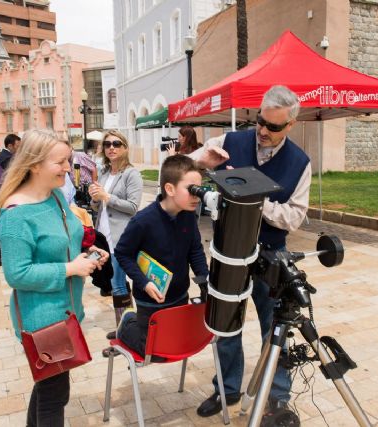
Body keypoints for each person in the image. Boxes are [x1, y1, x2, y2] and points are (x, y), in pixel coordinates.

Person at [192, 85, 312, 418]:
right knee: (225, 325)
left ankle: (277, 395)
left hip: (270, 254)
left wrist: (254, 201)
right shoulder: (229, 143)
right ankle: (226, 389)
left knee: (276, 326)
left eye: (273, 127)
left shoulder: (301, 162)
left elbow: (295, 217)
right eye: (260, 121)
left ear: (290, 125)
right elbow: (181, 168)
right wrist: (199, 161)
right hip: (228, 254)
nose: (262, 131)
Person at [0, 129, 108, 426]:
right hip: (42, 320)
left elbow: (67, 236)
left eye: (68, 160)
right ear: (34, 165)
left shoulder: (55, 196)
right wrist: (70, 269)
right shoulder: (16, 216)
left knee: (49, 388)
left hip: (66, 311)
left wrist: (87, 249)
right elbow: (17, 274)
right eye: (60, 162)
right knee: (54, 396)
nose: (68, 168)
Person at [114, 154, 208, 355]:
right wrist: (144, 283)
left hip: (179, 295)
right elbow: (122, 253)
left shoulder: (189, 216)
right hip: (150, 299)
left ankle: (134, 326)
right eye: (191, 189)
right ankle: (126, 325)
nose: (197, 195)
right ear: (170, 189)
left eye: (199, 189)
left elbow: (195, 250)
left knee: (174, 343)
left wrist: (205, 281)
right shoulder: (143, 221)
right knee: (153, 349)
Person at [89, 130, 143, 338]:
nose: (111, 147)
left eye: (117, 143)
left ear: (125, 148)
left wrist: (107, 196)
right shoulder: (104, 173)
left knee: (118, 283)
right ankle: (127, 324)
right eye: (107, 144)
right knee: (113, 282)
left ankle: (125, 329)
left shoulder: (131, 173)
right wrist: (95, 198)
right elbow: (98, 207)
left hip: (121, 238)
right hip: (102, 237)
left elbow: (132, 206)